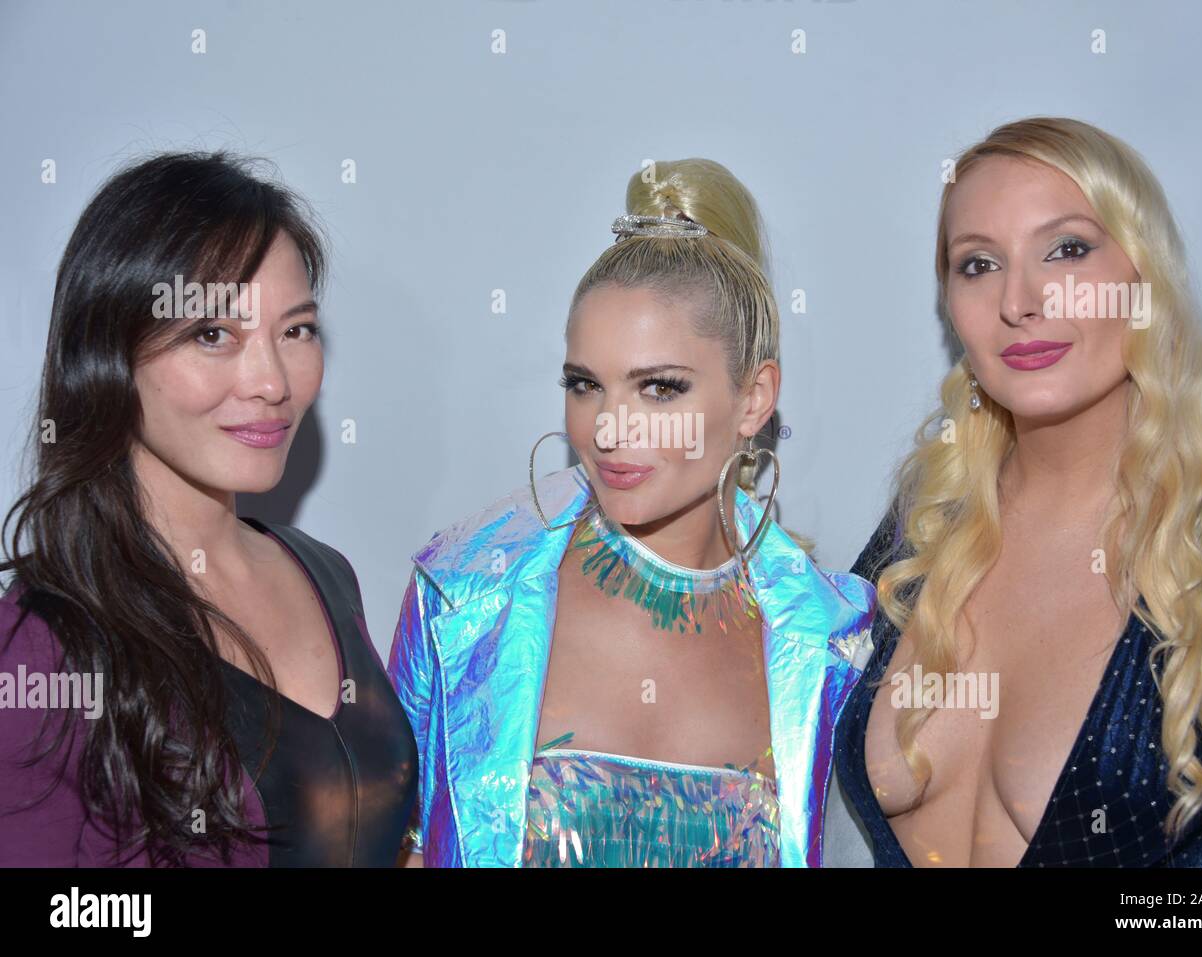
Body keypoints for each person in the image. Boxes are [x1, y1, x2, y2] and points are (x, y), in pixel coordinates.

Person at [833, 117, 1202, 867]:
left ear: (1142, 280)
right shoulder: (922, 528)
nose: (1020, 300)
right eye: (978, 263)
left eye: (1068, 250)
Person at [388, 159, 875, 867]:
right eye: (586, 384)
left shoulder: (833, 640)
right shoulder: (462, 594)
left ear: (754, 398)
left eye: (659, 388)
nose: (610, 427)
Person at [0, 152, 417, 866]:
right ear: (109, 353)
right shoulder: (41, 645)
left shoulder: (325, 574)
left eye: (296, 330)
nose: (272, 382)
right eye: (211, 334)